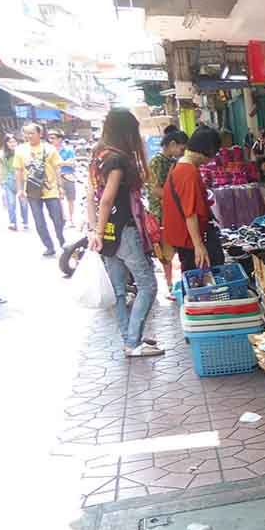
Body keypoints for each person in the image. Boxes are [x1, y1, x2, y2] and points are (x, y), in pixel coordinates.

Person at [87, 108, 162, 358]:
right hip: (123, 230)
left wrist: (94, 230)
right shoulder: (118, 160)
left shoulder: (98, 156)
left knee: (119, 289)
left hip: (106, 233)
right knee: (148, 284)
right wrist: (97, 230)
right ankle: (133, 342)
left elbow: (91, 197)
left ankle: (129, 338)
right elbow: (107, 199)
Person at [163, 126, 226, 272]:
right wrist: (199, 246)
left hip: (183, 238)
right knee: (201, 279)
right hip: (189, 240)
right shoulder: (188, 172)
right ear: (208, 151)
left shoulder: (178, 165)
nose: (211, 160)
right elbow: (190, 213)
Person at [146, 128, 189, 298]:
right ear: (172, 145)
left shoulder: (169, 161)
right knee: (165, 253)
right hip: (161, 213)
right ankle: (170, 286)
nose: (182, 152)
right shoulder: (157, 161)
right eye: (181, 148)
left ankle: (176, 284)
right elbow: (155, 189)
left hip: (170, 211)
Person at [14, 123, 65, 256]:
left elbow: (57, 168)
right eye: (26, 133)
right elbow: (18, 171)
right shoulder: (20, 150)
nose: (28, 136)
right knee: (38, 220)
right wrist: (20, 189)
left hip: (50, 189)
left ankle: (62, 241)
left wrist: (60, 187)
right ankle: (49, 246)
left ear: (40, 134)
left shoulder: (50, 149)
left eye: (31, 133)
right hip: (32, 191)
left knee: (58, 218)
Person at [0, 135, 28, 231]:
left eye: (14, 141)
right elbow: (0, 168)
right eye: (10, 142)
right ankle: (12, 222)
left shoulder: (21, 153)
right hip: (8, 180)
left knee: (23, 202)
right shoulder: (1, 154)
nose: (12, 144)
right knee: (11, 202)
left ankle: (25, 221)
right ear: (6, 143)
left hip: (21, 179)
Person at [48, 129, 77, 226]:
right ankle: (63, 218)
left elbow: (72, 163)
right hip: (54, 178)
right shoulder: (48, 151)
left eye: (53, 138)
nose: (51, 140)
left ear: (60, 139)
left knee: (70, 199)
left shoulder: (68, 150)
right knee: (58, 200)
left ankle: (71, 219)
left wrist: (59, 163)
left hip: (68, 177)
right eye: (49, 138)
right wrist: (64, 162)